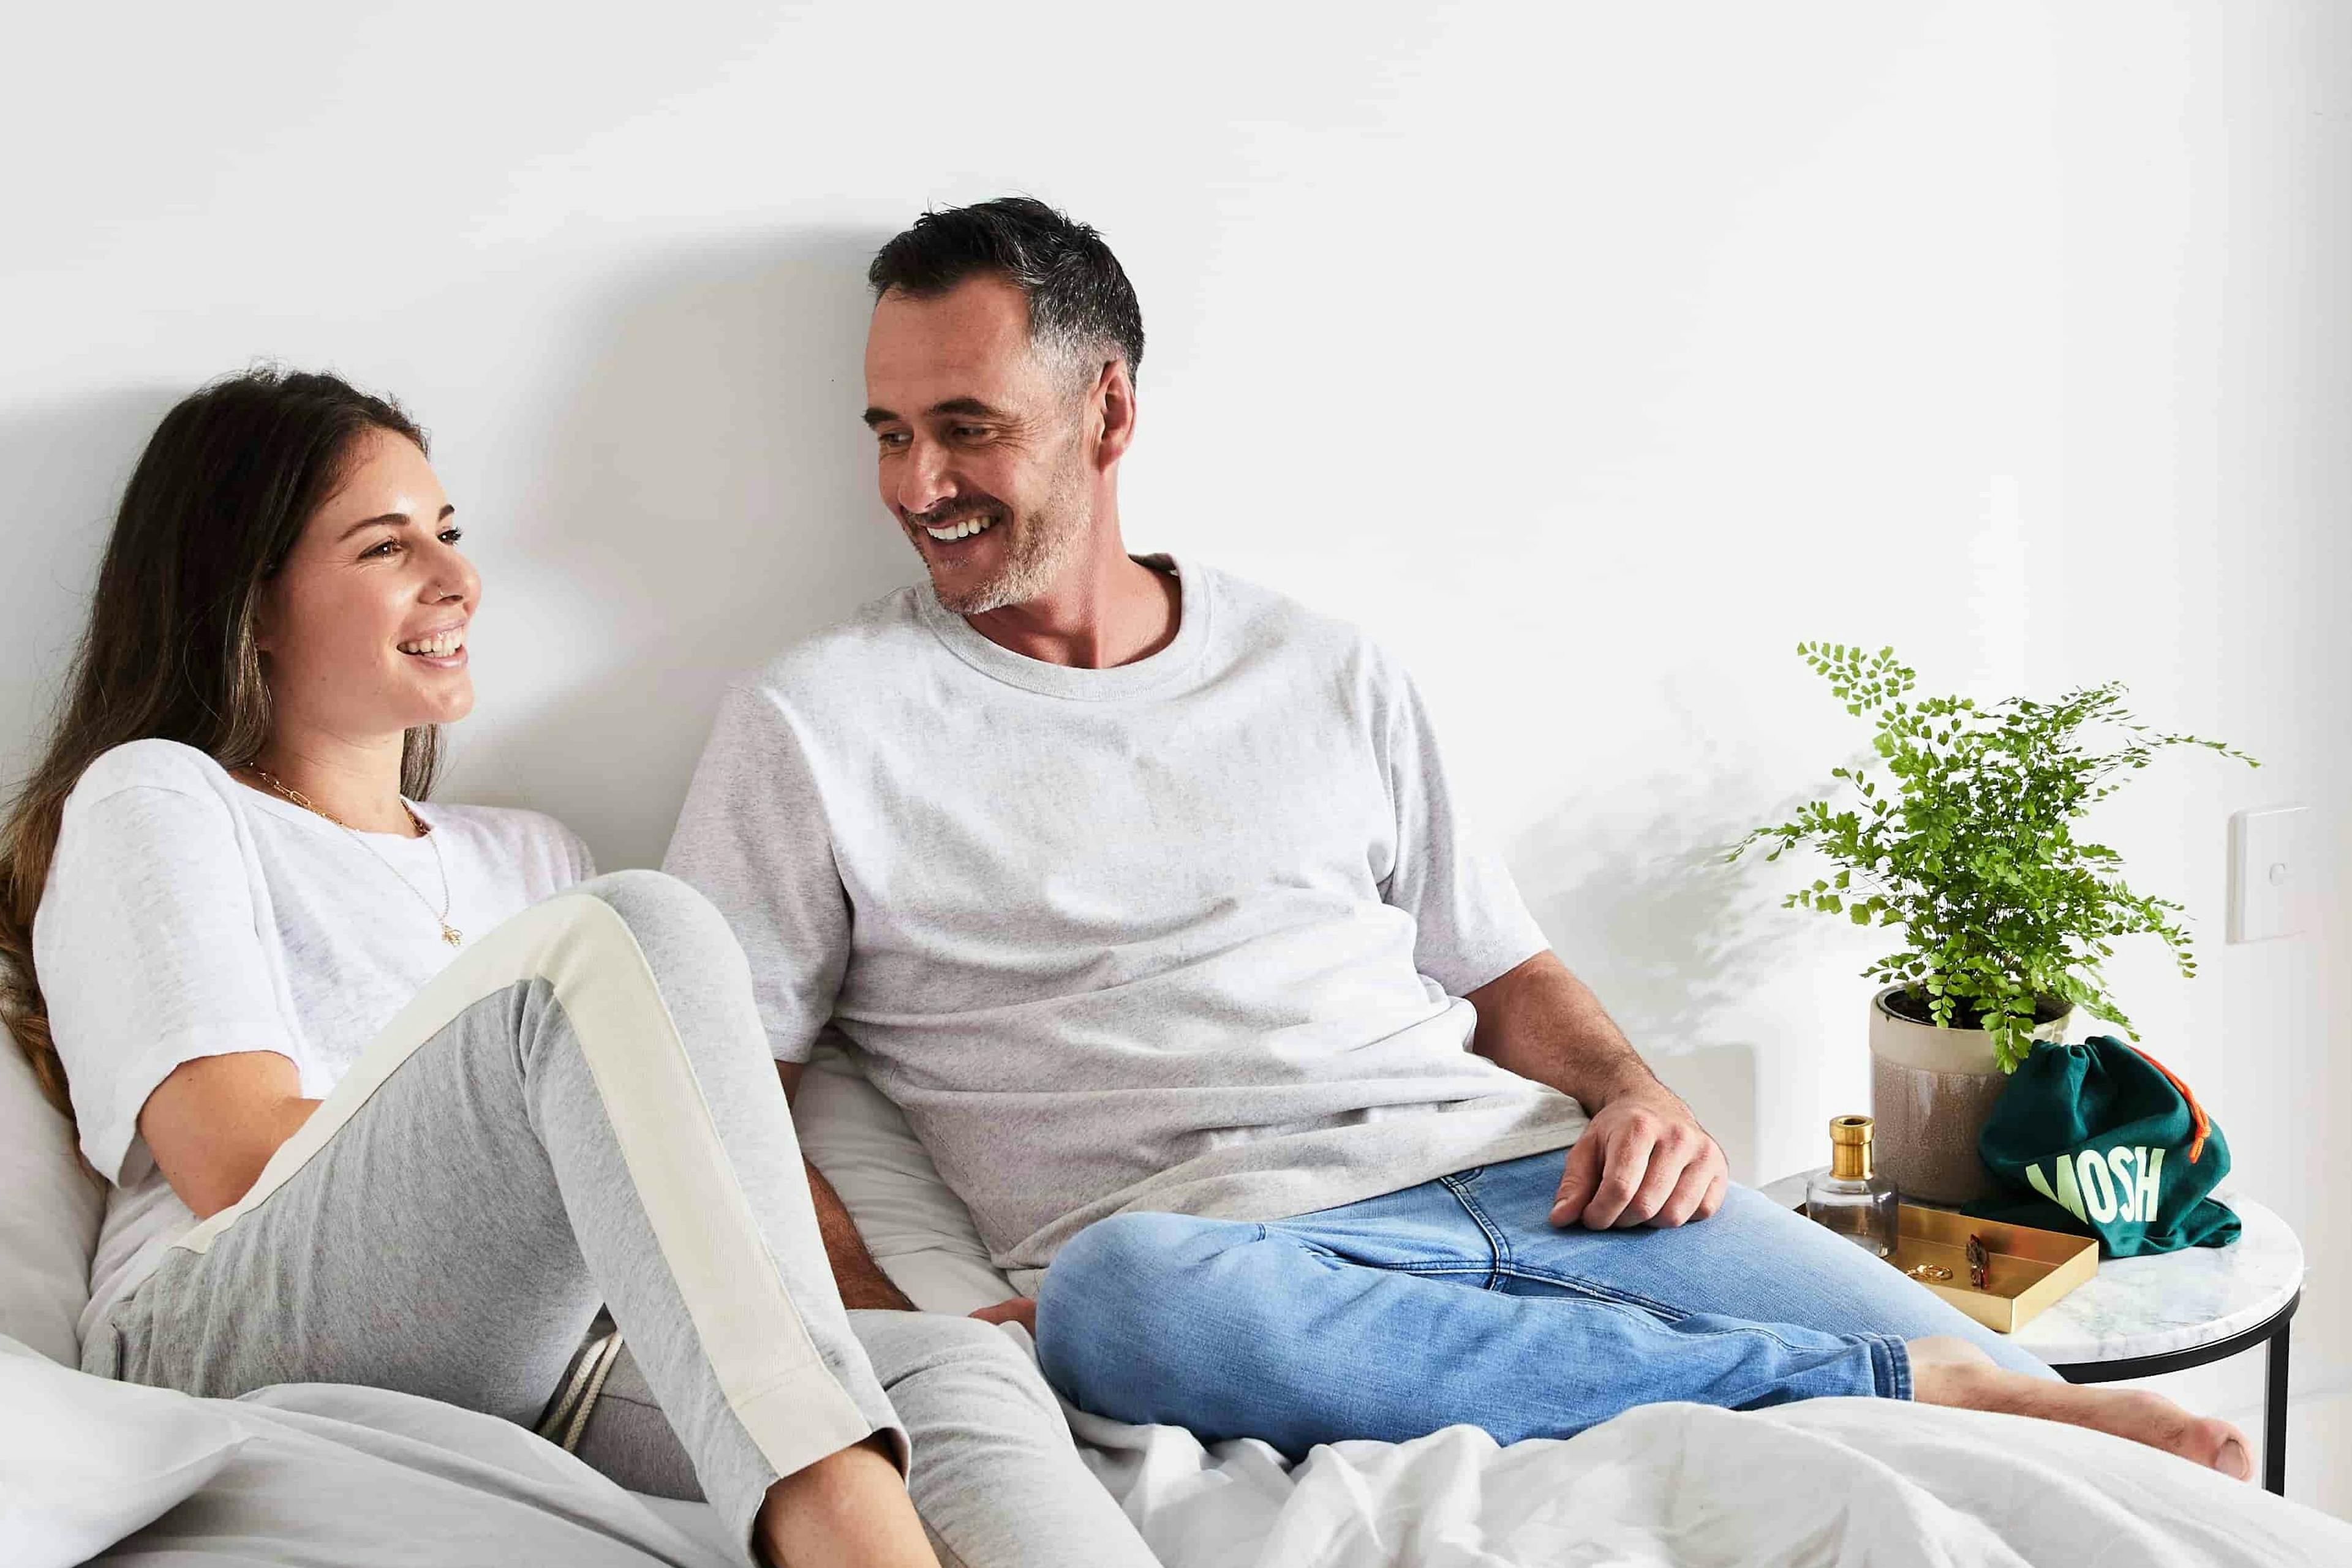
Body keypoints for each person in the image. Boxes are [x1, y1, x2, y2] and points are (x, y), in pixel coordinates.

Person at [663, 197, 2253, 1483]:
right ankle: (1887, 1384)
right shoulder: (820, 721)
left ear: (1110, 410)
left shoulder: (1321, 668)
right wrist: (899, 1326)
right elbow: (722, 1085)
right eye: (887, 432)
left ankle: (1928, 1381)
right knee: (1116, 1303)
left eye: (964, 427)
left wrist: (1637, 1095)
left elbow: (1497, 964)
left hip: (1533, 1178)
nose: (916, 483)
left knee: (2106, 1461)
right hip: (1234, 1263)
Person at [0, 368, 1156, 1568]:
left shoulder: (529, 854)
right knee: (636, 932)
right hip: (226, 1319)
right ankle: (845, 1538)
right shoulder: (159, 794)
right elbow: (231, 1155)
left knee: (951, 1375)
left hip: (539, 1334)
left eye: (448, 533)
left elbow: (697, 1152)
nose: (457, 578)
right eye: (386, 546)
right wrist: (559, 1119)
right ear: (252, 599)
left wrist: (872, 1309)